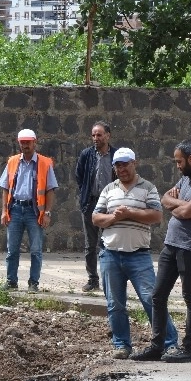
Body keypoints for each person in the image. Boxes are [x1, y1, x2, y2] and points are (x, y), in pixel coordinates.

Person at [132, 141, 191, 363]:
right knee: (158, 296)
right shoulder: (185, 179)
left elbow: (187, 210)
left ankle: (188, 348)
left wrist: (180, 207)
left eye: (179, 161)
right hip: (172, 244)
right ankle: (157, 345)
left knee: (190, 297)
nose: (177, 165)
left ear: (190, 159)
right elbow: (164, 199)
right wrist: (182, 206)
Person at [92, 147, 177, 359]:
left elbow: (156, 215)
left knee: (152, 300)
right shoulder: (108, 189)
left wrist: (129, 213)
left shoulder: (148, 188)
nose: (121, 169)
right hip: (110, 253)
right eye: (117, 165)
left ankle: (169, 342)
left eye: (125, 164)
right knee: (115, 304)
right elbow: (96, 217)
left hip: (138, 255)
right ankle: (121, 345)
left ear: (134, 163)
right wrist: (114, 219)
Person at [0, 128, 58, 293]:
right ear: (19, 143)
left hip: (34, 211)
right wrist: (4, 211)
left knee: (36, 250)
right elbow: (5, 187)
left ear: (34, 142)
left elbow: (50, 190)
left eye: (28, 142)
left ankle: (33, 283)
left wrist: (47, 213)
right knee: (12, 249)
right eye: (22, 142)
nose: (25, 145)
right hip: (15, 209)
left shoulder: (45, 163)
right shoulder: (12, 162)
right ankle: (11, 281)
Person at [74, 121, 117, 292]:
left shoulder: (116, 155)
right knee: (90, 245)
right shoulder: (87, 155)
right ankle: (93, 279)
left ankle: (110, 280)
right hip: (91, 203)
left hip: (111, 204)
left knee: (109, 243)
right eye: (93, 135)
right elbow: (79, 176)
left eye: (99, 135)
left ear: (108, 135)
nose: (95, 138)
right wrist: (85, 194)